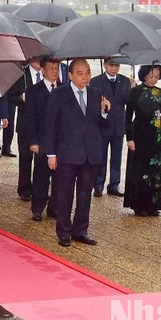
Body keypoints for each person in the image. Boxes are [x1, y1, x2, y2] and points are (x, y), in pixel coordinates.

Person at [45, 58, 111, 248]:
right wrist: (51, 153)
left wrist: (105, 112)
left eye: (88, 72)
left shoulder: (96, 93)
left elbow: (103, 126)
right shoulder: (59, 94)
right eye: (80, 73)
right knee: (65, 194)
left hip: (90, 153)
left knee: (85, 194)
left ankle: (80, 230)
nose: (85, 77)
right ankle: (64, 232)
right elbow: (50, 126)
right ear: (70, 75)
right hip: (67, 153)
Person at [123, 64, 161, 216]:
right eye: (151, 76)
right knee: (140, 170)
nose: (154, 79)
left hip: (157, 136)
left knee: (156, 170)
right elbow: (128, 117)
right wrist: (129, 138)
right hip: (140, 134)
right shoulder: (135, 92)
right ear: (144, 75)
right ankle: (139, 205)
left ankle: (154, 204)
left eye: (156, 76)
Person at [24, 57, 62, 221]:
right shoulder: (34, 91)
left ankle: (54, 208)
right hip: (41, 139)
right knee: (41, 176)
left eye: (57, 67)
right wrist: (33, 141)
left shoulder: (64, 89)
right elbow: (29, 118)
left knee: (60, 178)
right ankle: (37, 208)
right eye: (51, 68)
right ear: (43, 69)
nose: (54, 71)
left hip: (61, 141)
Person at [90, 58, 132, 197]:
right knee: (101, 155)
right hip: (103, 124)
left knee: (117, 157)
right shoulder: (96, 81)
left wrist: (133, 90)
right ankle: (98, 184)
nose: (114, 68)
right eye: (111, 65)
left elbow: (127, 102)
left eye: (117, 65)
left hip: (119, 124)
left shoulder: (125, 81)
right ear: (105, 65)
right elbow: (91, 103)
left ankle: (114, 184)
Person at [12, 56, 43, 200]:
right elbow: (10, 97)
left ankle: (39, 188)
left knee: (41, 159)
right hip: (25, 124)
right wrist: (21, 98)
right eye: (35, 57)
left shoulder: (48, 74)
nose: (38, 59)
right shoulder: (21, 75)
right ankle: (24, 188)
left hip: (42, 125)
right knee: (25, 158)